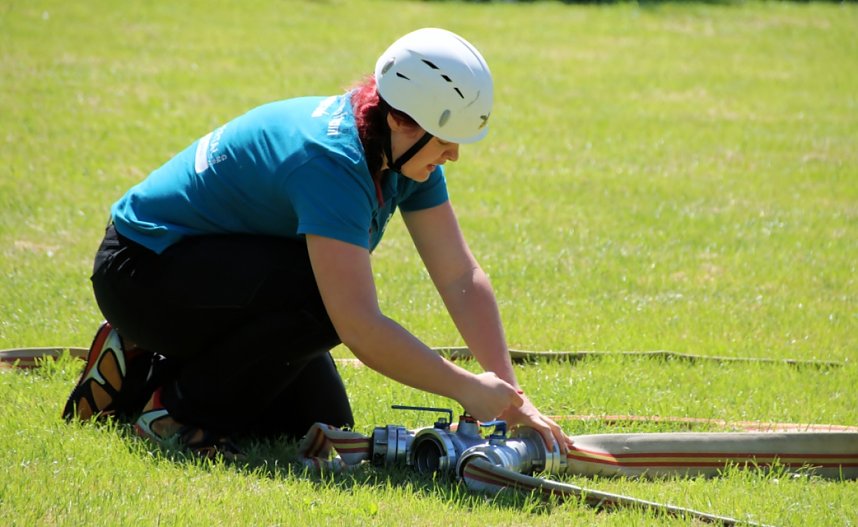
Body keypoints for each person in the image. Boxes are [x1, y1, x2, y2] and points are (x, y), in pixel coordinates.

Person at [63, 27, 572, 458]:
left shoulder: (404, 152)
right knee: (325, 302)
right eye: (445, 141)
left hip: (203, 274)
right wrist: (464, 387)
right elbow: (359, 325)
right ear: (399, 119)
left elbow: (460, 276)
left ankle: (142, 366)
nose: (454, 156)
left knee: (314, 423)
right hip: (140, 271)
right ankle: (174, 413)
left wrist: (510, 398)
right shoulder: (330, 161)